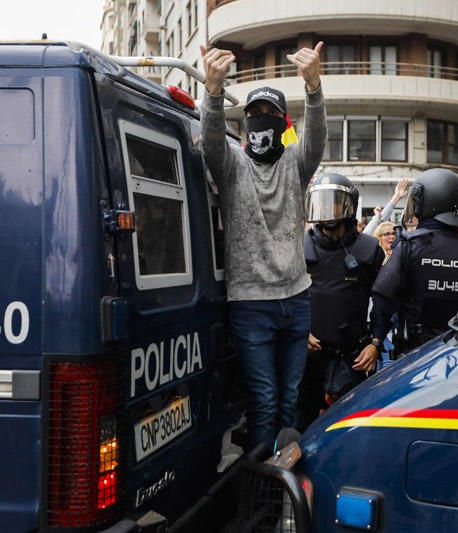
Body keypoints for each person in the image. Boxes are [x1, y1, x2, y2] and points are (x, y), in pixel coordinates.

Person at [200, 41, 327, 450]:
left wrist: (313, 86)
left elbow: (318, 139)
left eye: (270, 114)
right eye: (253, 114)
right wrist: (214, 92)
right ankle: (260, 492)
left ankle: (280, 484)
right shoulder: (232, 164)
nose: (261, 120)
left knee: (290, 402)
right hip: (251, 303)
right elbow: (211, 139)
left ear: (282, 121)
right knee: (264, 402)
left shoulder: (295, 161)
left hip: (296, 299)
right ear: (245, 123)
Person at [370, 168, 458, 355]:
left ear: (423, 200)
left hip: (416, 354)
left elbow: (383, 299)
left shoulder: (409, 246)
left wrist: (375, 341)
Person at [295, 173, 385, 430]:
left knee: (353, 427)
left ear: (348, 206)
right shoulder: (299, 248)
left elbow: (382, 303)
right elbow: (285, 300)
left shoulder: (369, 250)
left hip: (353, 357)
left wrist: (375, 344)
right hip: (308, 359)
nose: (326, 209)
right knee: (301, 424)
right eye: (320, 201)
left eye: (333, 202)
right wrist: (299, 332)